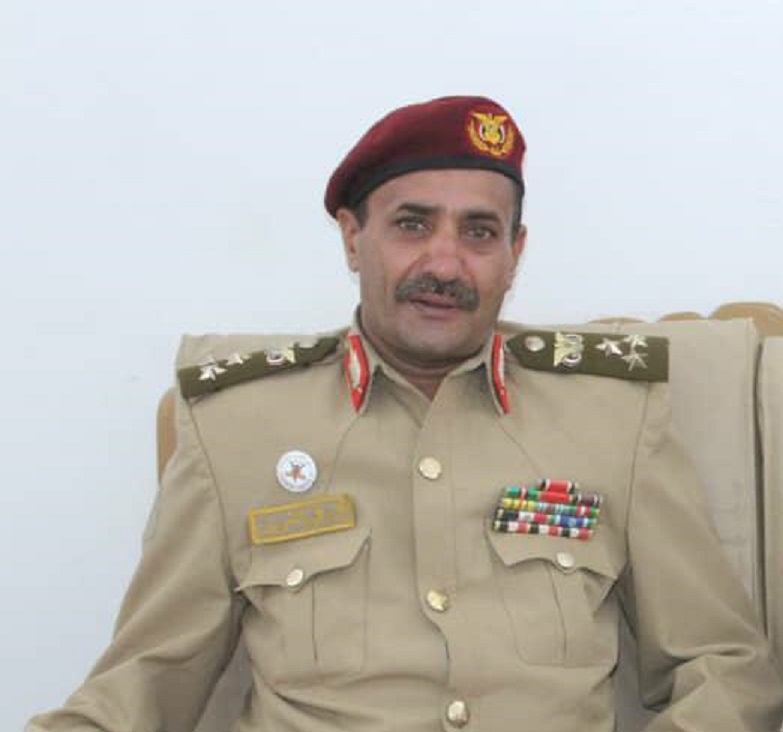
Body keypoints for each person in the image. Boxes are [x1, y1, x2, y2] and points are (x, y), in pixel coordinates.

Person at [27, 96, 783, 732]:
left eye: (479, 232)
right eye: (412, 225)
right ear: (353, 238)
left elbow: (721, 665)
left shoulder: (611, 415)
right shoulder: (237, 426)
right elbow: (145, 683)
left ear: (515, 253)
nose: (445, 264)